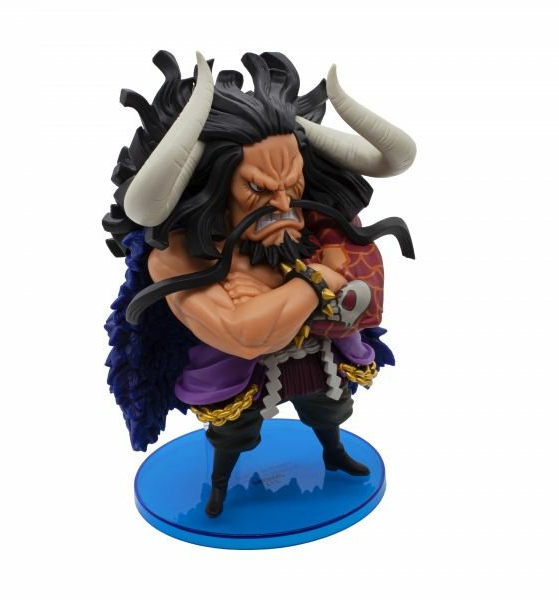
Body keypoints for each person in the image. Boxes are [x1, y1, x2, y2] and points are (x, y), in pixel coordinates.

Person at [103, 50, 416, 517]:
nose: (284, 204)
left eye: (292, 183)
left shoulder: (312, 219)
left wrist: (331, 277)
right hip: (233, 365)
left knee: (329, 405)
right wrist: (318, 280)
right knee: (234, 431)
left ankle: (332, 452)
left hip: (314, 348)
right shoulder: (180, 256)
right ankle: (219, 486)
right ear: (214, 189)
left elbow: (356, 278)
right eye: (258, 189)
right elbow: (243, 333)